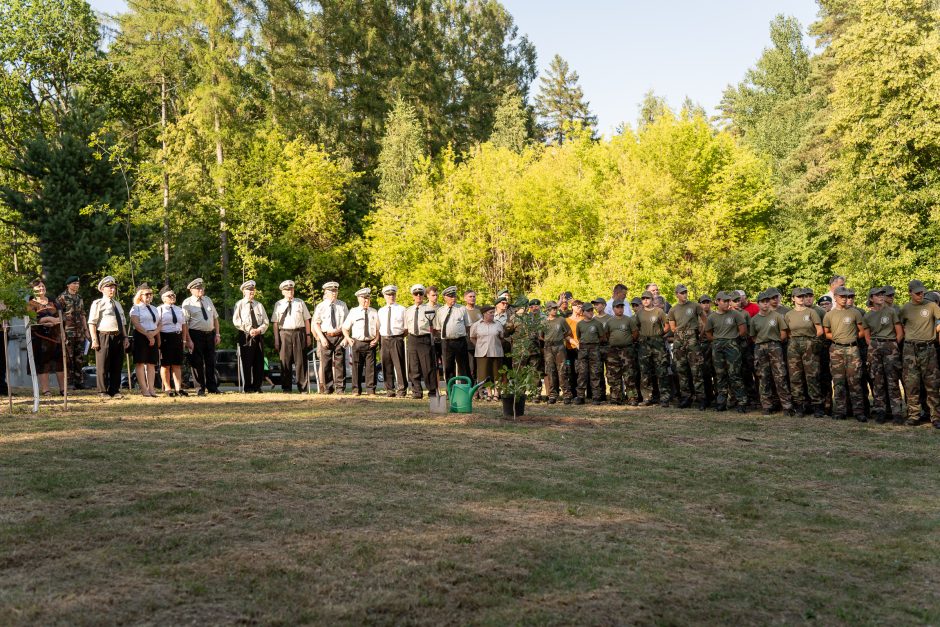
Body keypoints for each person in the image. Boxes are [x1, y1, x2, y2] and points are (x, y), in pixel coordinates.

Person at [899, 280, 940, 428]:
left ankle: (935, 417)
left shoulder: (931, 306)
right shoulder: (905, 308)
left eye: (922, 292)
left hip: (928, 349)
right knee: (911, 384)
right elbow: (900, 325)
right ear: (910, 293)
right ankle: (914, 415)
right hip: (910, 349)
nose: (921, 295)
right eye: (917, 293)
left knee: (932, 384)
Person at [822, 286, 866, 421]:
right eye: (841, 296)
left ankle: (859, 412)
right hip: (836, 350)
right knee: (838, 381)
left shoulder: (855, 312)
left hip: (852, 349)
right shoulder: (829, 315)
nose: (844, 299)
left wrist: (851, 338)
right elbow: (826, 333)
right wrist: (837, 339)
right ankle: (840, 411)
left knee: (855, 381)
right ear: (835, 297)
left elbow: (862, 331)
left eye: (847, 297)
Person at [862, 286, 903, 423]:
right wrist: (875, 346)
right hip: (874, 346)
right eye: (877, 295)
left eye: (882, 294)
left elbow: (900, 333)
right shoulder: (867, 316)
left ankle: (897, 412)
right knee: (877, 380)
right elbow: (867, 337)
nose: (880, 296)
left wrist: (891, 344)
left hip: (890, 345)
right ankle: (880, 411)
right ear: (871, 298)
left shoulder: (891, 312)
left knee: (892, 380)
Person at [750, 291, 793, 415]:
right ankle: (767, 405)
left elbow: (784, 333)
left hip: (775, 346)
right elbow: (753, 336)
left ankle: (786, 405)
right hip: (760, 348)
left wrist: (775, 343)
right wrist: (762, 343)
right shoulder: (754, 319)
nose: (765, 304)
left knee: (780, 376)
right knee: (763, 377)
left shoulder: (777, 316)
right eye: (763, 302)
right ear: (758, 303)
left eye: (767, 301)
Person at [704, 292, 748, 413]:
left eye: (729, 301)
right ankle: (721, 402)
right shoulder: (712, 317)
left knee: (735, 374)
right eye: (725, 301)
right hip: (717, 347)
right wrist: (717, 340)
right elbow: (708, 333)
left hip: (732, 345)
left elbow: (743, 330)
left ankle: (742, 402)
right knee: (720, 375)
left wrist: (732, 339)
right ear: (717, 301)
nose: (728, 303)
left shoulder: (735, 314)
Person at [784, 288, 824, 417]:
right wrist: (795, 341)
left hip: (809, 343)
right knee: (795, 376)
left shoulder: (811, 312)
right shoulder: (788, 314)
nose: (801, 298)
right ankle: (799, 405)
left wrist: (812, 342)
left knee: (812, 375)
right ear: (793, 299)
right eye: (798, 296)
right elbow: (788, 332)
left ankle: (817, 405)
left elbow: (820, 330)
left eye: (803, 296)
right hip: (794, 345)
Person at [88, 276, 129, 399]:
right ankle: (102, 390)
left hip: (118, 336)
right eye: (109, 287)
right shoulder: (98, 303)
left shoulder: (117, 304)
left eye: (113, 287)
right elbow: (92, 322)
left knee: (116, 365)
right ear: (102, 289)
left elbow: (122, 323)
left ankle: (114, 390)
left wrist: (125, 337)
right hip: (104, 335)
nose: (112, 290)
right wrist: (94, 339)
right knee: (103, 365)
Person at [668, 284, 707, 409]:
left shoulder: (695, 305)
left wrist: (700, 334)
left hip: (693, 338)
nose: (684, 294)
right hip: (679, 339)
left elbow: (705, 321)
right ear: (677, 294)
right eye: (682, 293)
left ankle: (701, 398)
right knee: (681, 369)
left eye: (685, 292)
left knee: (696, 370)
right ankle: (686, 397)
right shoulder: (673, 310)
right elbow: (673, 328)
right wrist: (680, 334)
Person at [182, 278, 221, 396]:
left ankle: (212, 387)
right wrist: (188, 340)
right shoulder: (187, 303)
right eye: (198, 288)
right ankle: (200, 388)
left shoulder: (208, 300)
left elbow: (215, 318)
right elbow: (185, 324)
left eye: (201, 287)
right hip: (195, 334)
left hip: (210, 334)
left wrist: (217, 334)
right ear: (191, 290)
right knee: (197, 362)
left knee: (211, 362)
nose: (201, 290)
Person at [272, 280, 312, 393]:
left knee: (301, 361)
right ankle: (286, 388)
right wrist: (276, 339)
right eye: (287, 290)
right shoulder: (278, 304)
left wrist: (308, 335)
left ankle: (303, 387)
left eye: (291, 289)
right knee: (285, 361)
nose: (290, 292)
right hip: (284, 333)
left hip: (299, 333)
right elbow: (275, 323)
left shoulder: (300, 302)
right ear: (283, 292)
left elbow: (307, 319)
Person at [27, 279, 65, 396]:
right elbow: (33, 320)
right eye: (38, 287)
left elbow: (62, 316)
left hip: (56, 336)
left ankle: (63, 389)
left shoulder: (53, 301)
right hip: (40, 338)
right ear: (33, 290)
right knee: (43, 364)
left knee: (60, 363)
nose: (41, 289)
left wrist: (55, 322)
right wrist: (48, 319)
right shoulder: (31, 304)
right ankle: (46, 390)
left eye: (43, 286)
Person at [232, 280, 269, 394]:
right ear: (244, 292)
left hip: (258, 335)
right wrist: (249, 329)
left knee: (258, 362)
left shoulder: (259, 305)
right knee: (247, 362)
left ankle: (257, 386)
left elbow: (266, 321)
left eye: (253, 290)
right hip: (246, 335)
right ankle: (247, 387)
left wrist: (259, 330)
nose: (251, 292)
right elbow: (236, 321)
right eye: (249, 290)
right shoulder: (239, 304)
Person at [312, 281, 348, 394]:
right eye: (331, 291)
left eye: (335, 291)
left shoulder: (342, 305)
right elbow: (315, 323)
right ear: (326, 292)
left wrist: (346, 337)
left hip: (339, 336)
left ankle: (340, 388)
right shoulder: (321, 306)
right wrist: (321, 338)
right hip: (326, 336)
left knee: (340, 363)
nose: (334, 293)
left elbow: (348, 323)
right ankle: (328, 388)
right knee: (326, 363)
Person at [343, 287, 380, 395]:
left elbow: (378, 329)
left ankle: (371, 390)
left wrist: (377, 339)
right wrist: (348, 339)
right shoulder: (353, 312)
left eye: (368, 299)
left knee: (371, 369)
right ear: (359, 299)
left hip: (371, 343)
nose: (366, 301)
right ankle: (356, 390)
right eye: (364, 299)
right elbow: (345, 328)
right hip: (357, 343)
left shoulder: (374, 312)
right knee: (356, 367)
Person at [637, 290, 671, 406]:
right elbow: (636, 328)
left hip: (657, 343)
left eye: (648, 298)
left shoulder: (659, 311)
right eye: (643, 298)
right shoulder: (639, 313)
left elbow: (667, 326)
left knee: (661, 370)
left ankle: (665, 398)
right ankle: (647, 398)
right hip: (644, 344)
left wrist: (659, 334)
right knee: (645, 371)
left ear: (652, 299)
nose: (645, 300)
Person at [404, 284, 437, 398]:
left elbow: (435, 327)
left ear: (424, 295)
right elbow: (406, 328)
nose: (418, 296)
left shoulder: (430, 310)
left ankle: (432, 390)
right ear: (412, 295)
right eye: (416, 294)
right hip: (412, 338)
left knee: (427, 366)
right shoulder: (408, 310)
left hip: (425, 338)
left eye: (420, 294)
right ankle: (417, 392)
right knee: (414, 367)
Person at [604, 299, 639, 405]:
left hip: (626, 350)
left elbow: (635, 333)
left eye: (621, 307)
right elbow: (606, 335)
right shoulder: (610, 321)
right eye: (617, 307)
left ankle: (632, 397)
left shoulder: (629, 320)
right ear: (613, 308)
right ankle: (616, 397)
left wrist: (627, 341)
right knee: (614, 374)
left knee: (629, 374)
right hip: (613, 351)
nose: (620, 309)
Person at [56, 276, 87, 389]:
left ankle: (79, 381)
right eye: (74, 283)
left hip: (79, 332)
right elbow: (58, 316)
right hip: (68, 332)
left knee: (79, 357)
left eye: (78, 283)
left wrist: (86, 330)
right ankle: (69, 382)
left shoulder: (79, 298)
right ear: (68, 285)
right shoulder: (62, 298)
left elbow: (83, 314)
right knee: (68, 357)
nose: (76, 285)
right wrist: (62, 333)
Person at [435, 286, 472, 382]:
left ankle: (465, 388)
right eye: (451, 296)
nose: (453, 298)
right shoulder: (440, 311)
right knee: (448, 367)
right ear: (445, 298)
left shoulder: (462, 309)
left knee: (463, 366)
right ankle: (450, 390)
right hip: (447, 342)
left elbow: (467, 326)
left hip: (460, 341)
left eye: (454, 296)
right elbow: (438, 328)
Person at [129, 283, 160, 397]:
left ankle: (151, 388)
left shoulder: (154, 308)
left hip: (153, 334)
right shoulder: (136, 308)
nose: (149, 296)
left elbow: (159, 324)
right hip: (141, 335)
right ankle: (143, 388)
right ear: (140, 295)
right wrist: (148, 335)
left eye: (151, 294)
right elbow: (136, 324)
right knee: (140, 362)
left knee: (151, 363)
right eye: (146, 294)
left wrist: (153, 334)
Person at [157, 286, 188, 397]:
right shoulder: (159, 309)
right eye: (169, 296)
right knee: (166, 365)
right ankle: (168, 388)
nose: (172, 297)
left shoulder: (179, 310)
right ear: (163, 298)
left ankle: (178, 388)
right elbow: (157, 326)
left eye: (173, 295)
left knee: (177, 364)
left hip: (177, 337)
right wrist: (159, 341)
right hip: (165, 337)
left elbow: (183, 325)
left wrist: (184, 340)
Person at [540, 300, 573, 404]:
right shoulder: (544, 322)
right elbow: (540, 335)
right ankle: (553, 395)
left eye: (556, 308)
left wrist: (560, 338)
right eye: (553, 309)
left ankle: (567, 395)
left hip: (559, 347)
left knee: (563, 370)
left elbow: (568, 331)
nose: (555, 310)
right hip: (548, 347)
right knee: (550, 371)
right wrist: (547, 340)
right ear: (548, 310)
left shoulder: (561, 320)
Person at [378, 285, 408, 397]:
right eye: (388, 295)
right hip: (384, 339)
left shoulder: (402, 309)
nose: (391, 297)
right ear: (384, 296)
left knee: (399, 365)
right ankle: (389, 390)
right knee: (386, 365)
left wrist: (399, 337)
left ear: (395, 295)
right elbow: (379, 326)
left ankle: (402, 389)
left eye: (393, 294)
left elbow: (406, 328)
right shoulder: (381, 310)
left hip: (397, 338)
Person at [469, 304, 504, 400]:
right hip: (482, 353)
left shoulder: (498, 324)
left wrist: (495, 345)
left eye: (494, 312)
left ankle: (497, 393)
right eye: (490, 313)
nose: (493, 314)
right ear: (484, 314)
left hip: (496, 352)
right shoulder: (476, 325)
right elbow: (472, 337)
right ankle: (489, 393)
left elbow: (502, 337)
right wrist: (479, 346)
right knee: (485, 374)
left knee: (497, 373)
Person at [575, 304, 605, 405]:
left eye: (592, 310)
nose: (591, 312)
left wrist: (593, 343)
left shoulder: (597, 323)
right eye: (588, 311)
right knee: (581, 373)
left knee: (595, 372)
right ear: (583, 312)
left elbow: (602, 337)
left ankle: (596, 396)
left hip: (594, 349)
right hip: (583, 348)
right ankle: (580, 396)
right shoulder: (580, 324)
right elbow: (579, 336)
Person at [698, 295, 716, 407]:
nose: (706, 304)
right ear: (700, 304)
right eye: (703, 302)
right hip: (703, 345)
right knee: (705, 372)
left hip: (714, 344)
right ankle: (707, 397)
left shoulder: (715, 315)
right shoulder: (697, 316)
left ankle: (719, 396)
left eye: (708, 302)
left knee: (717, 371)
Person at [464, 289, 481, 381]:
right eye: (470, 296)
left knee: (481, 367)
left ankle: (481, 389)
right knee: (471, 367)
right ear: (465, 298)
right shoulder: (462, 310)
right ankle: (473, 390)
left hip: (481, 343)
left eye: (474, 296)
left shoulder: (479, 310)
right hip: (468, 343)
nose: (472, 298)